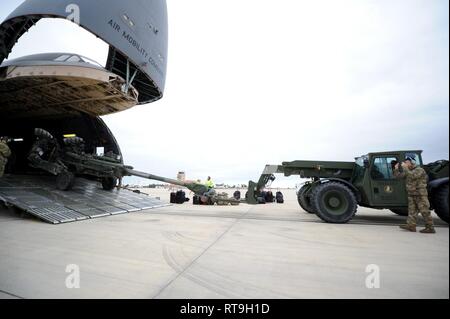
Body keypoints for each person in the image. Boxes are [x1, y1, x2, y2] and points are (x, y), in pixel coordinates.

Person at [394, 156, 435, 234]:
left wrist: (405, 168)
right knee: (412, 211)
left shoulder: (419, 170)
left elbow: (412, 176)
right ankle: (411, 226)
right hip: (411, 194)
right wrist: (396, 169)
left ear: (412, 162)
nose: (405, 164)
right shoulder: (408, 170)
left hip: (420, 194)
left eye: (406, 162)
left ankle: (430, 227)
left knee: (424, 211)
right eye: (405, 162)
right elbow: (399, 176)